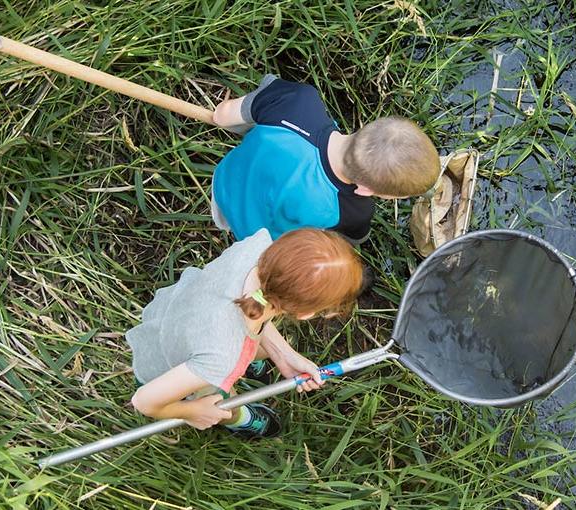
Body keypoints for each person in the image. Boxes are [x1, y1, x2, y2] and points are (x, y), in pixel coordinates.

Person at [127, 228, 363, 438]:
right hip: (166, 365)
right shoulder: (222, 355)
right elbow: (144, 401)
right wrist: (192, 412)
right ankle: (241, 420)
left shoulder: (258, 246)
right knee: (223, 404)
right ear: (305, 314)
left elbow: (246, 315)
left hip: (177, 313)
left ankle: (247, 364)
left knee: (251, 349)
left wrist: (284, 355)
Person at [209, 74, 441, 244]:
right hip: (256, 242)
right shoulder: (353, 210)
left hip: (222, 189)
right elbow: (348, 243)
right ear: (365, 189)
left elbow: (221, 116)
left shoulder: (297, 100)